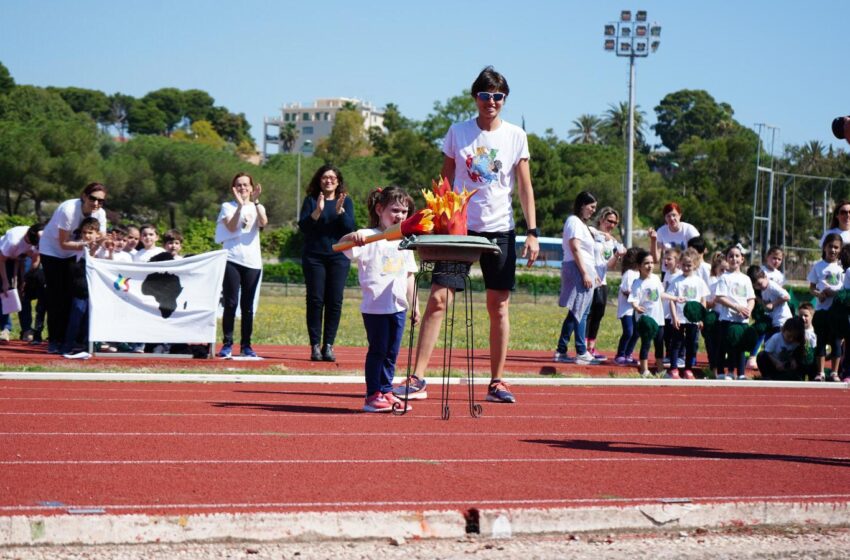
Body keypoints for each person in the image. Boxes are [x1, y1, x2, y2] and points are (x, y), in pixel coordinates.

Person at [397, 66, 539, 405]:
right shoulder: (458, 132)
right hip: (459, 229)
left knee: (498, 306)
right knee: (438, 299)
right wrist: (435, 221)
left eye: (498, 96)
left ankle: (497, 381)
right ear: (475, 97)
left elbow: (524, 186)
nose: (491, 102)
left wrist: (532, 232)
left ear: (504, 99)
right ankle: (417, 377)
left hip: (500, 229)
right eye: (485, 95)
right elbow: (444, 182)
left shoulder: (516, 135)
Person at [338, 186, 419, 413]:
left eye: (404, 211)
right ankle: (373, 394)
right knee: (378, 351)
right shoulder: (368, 236)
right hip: (375, 307)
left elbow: (409, 275)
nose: (400, 216)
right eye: (395, 210)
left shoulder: (404, 240)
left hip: (398, 306)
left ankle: (387, 390)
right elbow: (342, 246)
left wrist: (415, 306)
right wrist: (351, 236)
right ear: (380, 209)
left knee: (392, 353)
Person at [39, 182, 108, 354]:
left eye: (101, 201)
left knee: (74, 295)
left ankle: (72, 340)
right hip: (52, 251)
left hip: (75, 253)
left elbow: (101, 237)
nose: (96, 204)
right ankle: (54, 340)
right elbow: (63, 243)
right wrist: (86, 243)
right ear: (84, 196)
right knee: (57, 297)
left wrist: (100, 243)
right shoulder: (68, 209)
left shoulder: (100, 214)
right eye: (93, 199)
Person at [298, 164, 355, 362]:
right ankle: (315, 345)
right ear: (319, 180)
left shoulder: (345, 201)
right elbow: (304, 227)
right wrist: (317, 211)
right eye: (324, 177)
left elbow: (350, 228)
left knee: (334, 301)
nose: (328, 180)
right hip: (314, 257)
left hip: (338, 257)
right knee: (315, 300)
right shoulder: (311, 200)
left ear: (338, 181)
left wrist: (340, 211)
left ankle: (328, 345)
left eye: (332, 177)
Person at [215, 172, 267, 359]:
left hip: (252, 262)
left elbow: (263, 222)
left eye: (246, 185)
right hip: (232, 259)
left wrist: (256, 202)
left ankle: (246, 345)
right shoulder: (227, 206)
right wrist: (239, 206)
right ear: (233, 188)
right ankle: (227, 343)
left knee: (247, 306)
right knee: (230, 303)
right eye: (239, 185)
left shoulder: (257, 206)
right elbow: (230, 227)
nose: (243, 188)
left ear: (252, 188)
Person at [554, 191, 602, 365]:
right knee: (580, 311)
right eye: (591, 207)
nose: (593, 211)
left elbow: (587, 252)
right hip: (576, 269)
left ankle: (561, 350)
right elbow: (575, 248)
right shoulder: (573, 221)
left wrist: (592, 273)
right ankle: (581, 351)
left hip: (582, 269)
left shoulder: (582, 224)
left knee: (577, 311)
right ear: (582, 204)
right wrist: (584, 273)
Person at [584, 207, 626, 360]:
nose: (612, 225)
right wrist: (604, 235)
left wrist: (617, 255)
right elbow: (587, 230)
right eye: (609, 221)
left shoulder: (613, 242)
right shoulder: (592, 233)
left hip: (602, 281)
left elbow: (610, 265)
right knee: (587, 315)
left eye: (615, 222)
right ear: (601, 219)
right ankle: (582, 348)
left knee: (598, 314)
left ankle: (591, 347)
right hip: (589, 279)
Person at [61, 217, 105, 357]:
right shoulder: (79, 246)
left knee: (90, 319)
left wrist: (101, 245)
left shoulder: (102, 249)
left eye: (91, 232)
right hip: (80, 288)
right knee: (76, 315)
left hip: (97, 290)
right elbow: (83, 259)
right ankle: (67, 346)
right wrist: (89, 246)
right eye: (85, 232)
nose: (87, 235)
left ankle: (88, 346)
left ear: (98, 234)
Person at [713, 245, 756, 380]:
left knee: (740, 347)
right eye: (731, 256)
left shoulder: (746, 279)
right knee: (725, 346)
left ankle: (741, 373)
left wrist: (748, 309)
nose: (734, 258)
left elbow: (751, 298)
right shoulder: (724, 277)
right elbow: (719, 297)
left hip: (742, 320)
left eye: (737, 256)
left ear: (742, 259)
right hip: (727, 319)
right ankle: (722, 372)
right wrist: (737, 307)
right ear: (726, 259)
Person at [667, 249, 710, 379]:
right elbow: (671, 300)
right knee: (676, 343)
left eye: (689, 265)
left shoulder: (699, 281)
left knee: (692, 344)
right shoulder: (676, 281)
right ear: (680, 264)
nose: (686, 267)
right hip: (679, 318)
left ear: (695, 265)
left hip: (693, 319)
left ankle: (688, 369)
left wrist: (701, 318)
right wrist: (674, 317)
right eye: (684, 265)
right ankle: (674, 368)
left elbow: (703, 300)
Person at [808, 233, 844, 381]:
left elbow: (844, 289)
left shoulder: (842, 267)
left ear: (840, 250)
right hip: (822, 311)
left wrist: (834, 293)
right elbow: (811, 287)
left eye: (836, 247)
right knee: (821, 341)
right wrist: (819, 294)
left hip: (837, 312)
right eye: (830, 246)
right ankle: (821, 372)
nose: (833, 250)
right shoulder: (818, 266)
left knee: (836, 342)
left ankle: (834, 372)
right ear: (824, 247)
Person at [628, 249, 669, 377]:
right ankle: (644, 369)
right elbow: (633, 299)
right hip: (645, 319)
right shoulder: (637, 283)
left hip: (659, 318)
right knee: (646, 343)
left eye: (651, 263)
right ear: (639, 266)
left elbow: (661, 294)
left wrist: (674, 298)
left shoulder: (656, 278)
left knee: (659, 344)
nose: (650, 265)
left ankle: (660, 369)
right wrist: (636, 307)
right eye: (646, 263)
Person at [0, 223, 41, 341]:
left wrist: (25, 279)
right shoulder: (13, 240)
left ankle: (26, 329)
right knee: (5, 291)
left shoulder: (39, 241)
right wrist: (5, 281)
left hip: (23, 258)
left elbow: (36, 259)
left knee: (24, 292)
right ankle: (5, 328)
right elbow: (1, 260)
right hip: (4, 258)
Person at [648, 202, 700, 278]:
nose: (671, 219)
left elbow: (699, 253)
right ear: (665, 218)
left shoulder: (689, 230)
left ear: (680, 215)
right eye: (668, 216)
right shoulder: (661, 231)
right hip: (668, 273)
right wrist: (653, 240)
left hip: (685, 271)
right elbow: (655, 260)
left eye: (674, 215)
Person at [613, 247, 641, 365]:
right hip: (627, 309)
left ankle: (628, 354)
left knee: (637, 332)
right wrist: (638, 295)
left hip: (636, 309)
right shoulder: (629, 273)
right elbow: (626, 290)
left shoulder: (639, 273)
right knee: (629, 331)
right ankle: (620, 354)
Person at [755, 317, 807, 381]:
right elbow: (767, 353)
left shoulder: (796, 342)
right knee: (761, 355)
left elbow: (796, 354)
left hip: (786, 367)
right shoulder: (776, 338)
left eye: (794, 337)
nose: (791, 339)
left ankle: (786, 377)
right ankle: (767, 376)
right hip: (773, 364)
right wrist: (776, 362)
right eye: (789, 336)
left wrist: (793, 360)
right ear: (782, 330)